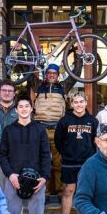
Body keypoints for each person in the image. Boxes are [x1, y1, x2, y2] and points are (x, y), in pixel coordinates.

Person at [0, 97, 50, 214]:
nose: (24, 109)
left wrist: (45, 177)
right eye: (21, 106)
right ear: (16, 110)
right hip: (14, 178)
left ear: (31, 109)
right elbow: (3, 155)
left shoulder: (40, 130)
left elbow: (46, 154)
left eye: (27, 106)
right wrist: (10, 174)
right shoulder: (9, 130)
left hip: (37, 180)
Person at [54, 92, 98, 214]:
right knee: (68, 191)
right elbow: (58, 141)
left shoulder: (92, 121)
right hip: (69, 162)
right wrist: (67, 153)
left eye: (81, 102)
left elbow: (96, 141)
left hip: (87, 163)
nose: (78, 105)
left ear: (86, 103)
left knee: (86, 193)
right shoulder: (65, 120)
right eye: (76, 102)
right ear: (72, 104)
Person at [34, 64, 67, 196]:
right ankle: (44, 191)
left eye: (54, 73)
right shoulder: (38, 86)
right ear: (45, 74)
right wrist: (20, 51)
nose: (51, 75)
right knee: (43, 162)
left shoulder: (63, 87)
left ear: (58, 75)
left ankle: (59, 191)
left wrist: (78, 55)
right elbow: (28, 72)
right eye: (49, 73)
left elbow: (75, 75)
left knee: (59, 163)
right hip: (41, 130)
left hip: (57, 130)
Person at [0, 82, 18, 188]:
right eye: (4, 90)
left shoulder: (21, 110)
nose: (7, 93)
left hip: (16, 159)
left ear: (14, 94)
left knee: (14, 194)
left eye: (10, 91)